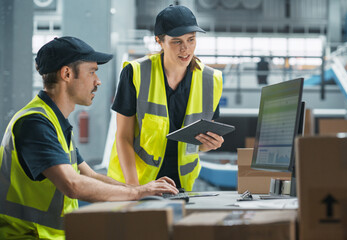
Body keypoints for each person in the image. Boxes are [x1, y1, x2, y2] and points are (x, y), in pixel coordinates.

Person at [0, 36, 178, 239]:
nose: (98, 81)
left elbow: (88, 176)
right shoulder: (35, 123)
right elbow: (73, 184)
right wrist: (137, 193)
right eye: (92, 72)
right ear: (67, 73)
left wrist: (143, 190)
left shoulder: (54, 121)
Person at [107, 5, 224, 191]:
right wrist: (135, 189)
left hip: (182, 187)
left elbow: (198, 144)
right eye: (176, 41)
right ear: (159, 41)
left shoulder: (211, 81)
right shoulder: (136, 73)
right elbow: (123, 137)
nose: (186, 49)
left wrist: (209, 144)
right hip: (137, 182)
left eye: (191, 40)